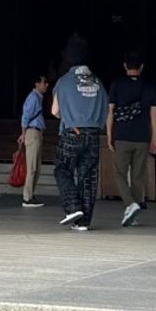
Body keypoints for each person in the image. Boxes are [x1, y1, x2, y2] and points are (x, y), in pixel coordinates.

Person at [52, 62, 108, 232]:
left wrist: (69, 118)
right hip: (93, 133)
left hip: (72, 131)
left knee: (62, 169)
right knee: (89, 177)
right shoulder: (98, 82)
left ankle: (73, 207)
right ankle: (83, 222)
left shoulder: (64, 81)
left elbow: (54, 111)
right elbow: (107, 109)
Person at [106, 54, 156, 227]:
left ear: (124, 66)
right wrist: (154, 139)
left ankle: (130, 204)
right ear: (141, 67)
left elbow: (110, 112)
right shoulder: (149, 87)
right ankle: (133, 215)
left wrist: (109, 135)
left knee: (120, 173)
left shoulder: (117, 85)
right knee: (137, 176)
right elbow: (154, 115)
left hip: (122, 135)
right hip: (142, 137)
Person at [18, 75, 48, 208]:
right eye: (44, 82)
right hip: (33, 132)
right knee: (32, 166)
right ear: (37, 84)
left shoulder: (37, 98)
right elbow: (26, 116)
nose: (46, 85)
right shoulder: (33, 98)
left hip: (36, 132)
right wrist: (23, 134)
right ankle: (27, 197)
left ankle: (30, 195)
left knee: (36, 167)